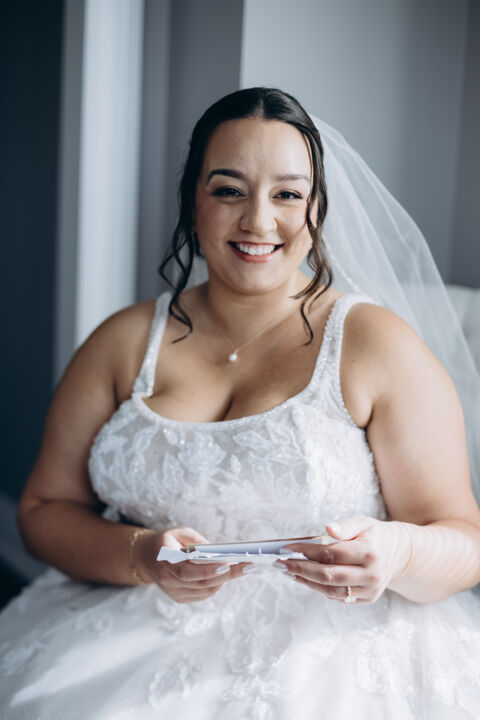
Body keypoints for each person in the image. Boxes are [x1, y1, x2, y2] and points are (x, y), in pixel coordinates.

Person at [1, 86, 480, 719]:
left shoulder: (377, 346)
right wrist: (142, 554)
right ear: (192, 203)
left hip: (332, 659)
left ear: (317, 210)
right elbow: (43, 510)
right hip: (130, 632)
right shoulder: (122, 342)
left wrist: (398, 554)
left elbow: (465, 540)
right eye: (229, 190)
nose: (258, 221)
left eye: (288, 194)